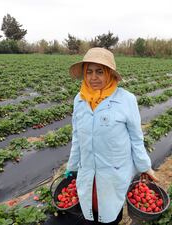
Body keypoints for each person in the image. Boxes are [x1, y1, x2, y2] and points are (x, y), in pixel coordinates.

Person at [66, 47, 158, 225]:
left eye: (100, 72)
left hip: (113, 173)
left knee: (110, 215)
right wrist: (72, 166)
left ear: (109, 74)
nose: (93, 77)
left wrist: (145, 166)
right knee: (90, 212)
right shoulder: (80, 99)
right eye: (89, 72)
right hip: (87, 172)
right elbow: (77, 136)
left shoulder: (126, 99)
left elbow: (136, 138)